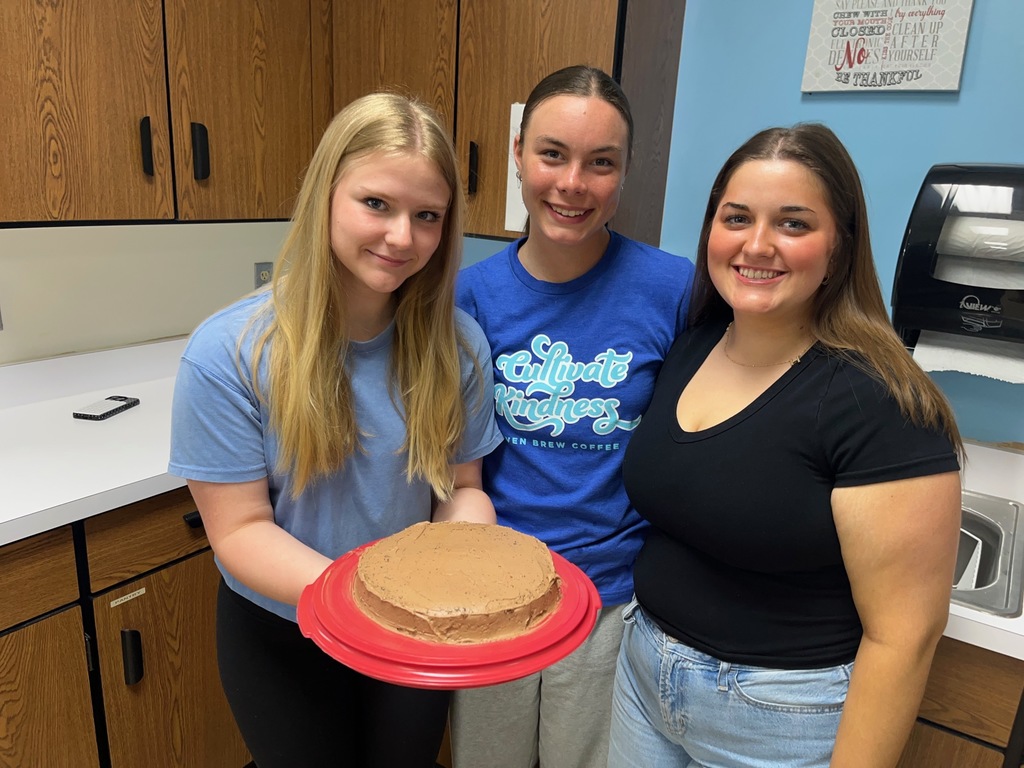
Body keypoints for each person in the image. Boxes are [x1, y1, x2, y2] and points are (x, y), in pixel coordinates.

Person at [608, 123, 963, 767]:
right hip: (643, 676)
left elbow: (904, 636)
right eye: (736, 217)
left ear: (841, 244)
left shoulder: (877, 400)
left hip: (778, 715)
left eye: (794, 224)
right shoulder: (694, 344)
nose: (758, 244)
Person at [168, 92, 502, 768]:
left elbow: (462, 488)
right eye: (376, 203)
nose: (402, 236)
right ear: (326, 194)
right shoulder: (229, 353)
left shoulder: (457, 348)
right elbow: (238, 531)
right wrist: (364, 601)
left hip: (412, 635)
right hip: (282, 634)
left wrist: (462, 560)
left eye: (427, 215)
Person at [451, 65, 695, 768]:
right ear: (519, 154)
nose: (572, 183)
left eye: (601, 163)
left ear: (624, 174)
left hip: (610, 599)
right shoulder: (470, 297)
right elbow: (456, 462)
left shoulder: (672, 288)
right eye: (553, 154)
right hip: (492, 596)